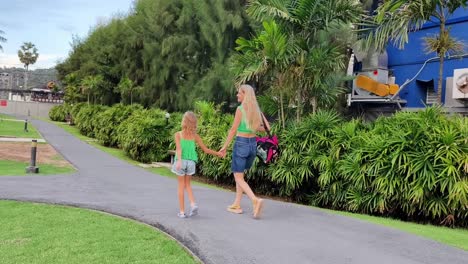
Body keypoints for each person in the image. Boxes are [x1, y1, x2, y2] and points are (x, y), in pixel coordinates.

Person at [220, 84, 270, 219]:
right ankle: (236, 204)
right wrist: (258, 110)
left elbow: (233, 130)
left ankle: (255, 200)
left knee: (238, 177)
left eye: (239, 93)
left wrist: (224, 146)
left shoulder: (240, 109)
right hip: (252, 145)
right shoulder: (255, 111)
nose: (237, 95)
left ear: (245, 95)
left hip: (241, 144)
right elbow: (266, 128)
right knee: (241, 176)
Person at [172, 111, 223, 218]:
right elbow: (206, 150)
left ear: (184, 122)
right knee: (188, 185)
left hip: (181, 163)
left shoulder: (178, 135)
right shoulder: (195, 136)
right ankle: (193, 204)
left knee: (181, 186)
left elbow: (179, 149)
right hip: (191, 163)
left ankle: (182, 212)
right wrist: (218, 153)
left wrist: (180, 161)